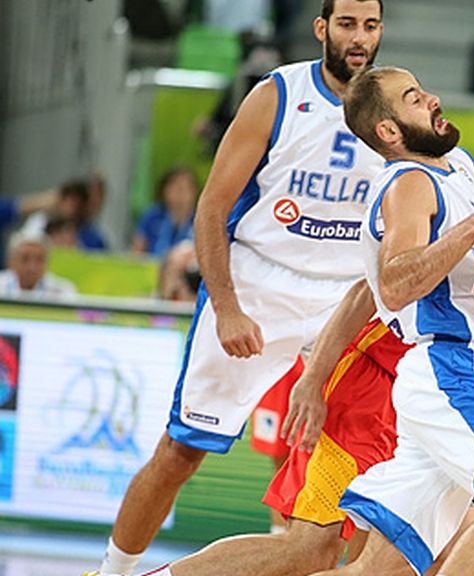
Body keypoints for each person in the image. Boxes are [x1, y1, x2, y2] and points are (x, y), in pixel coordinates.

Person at [139, 134, 474, 576]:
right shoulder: (464, 223)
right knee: (311, 548)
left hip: (426, 409)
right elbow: (368, 291)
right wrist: (314, 377)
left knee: (398, 565)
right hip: (378, 388)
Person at [87, 2, 385, 575]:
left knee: (371, 461)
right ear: (322, 28)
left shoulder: (393, 103)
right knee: (181, 451)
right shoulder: (276, 95)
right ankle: (112, 572)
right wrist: (226, 308)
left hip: (347, 297)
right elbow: (212, 208)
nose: (359, 38)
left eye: (370, 26)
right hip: (259, 284)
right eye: (347, 24)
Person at [132, 167, 198, 257]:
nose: (181, 193)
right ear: (165, 190)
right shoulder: (152, 216)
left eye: (186, 188)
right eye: (177, 187)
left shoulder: (199, 221)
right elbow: (137, 250)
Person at [0, 232, 77, 298]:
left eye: (39, 259)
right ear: (11, 261)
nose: (31, 267)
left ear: (47, 262)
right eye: (24, 259)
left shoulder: (63, 291)